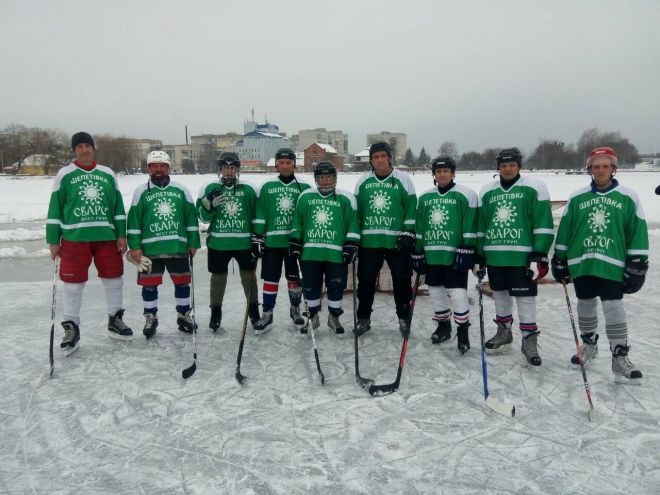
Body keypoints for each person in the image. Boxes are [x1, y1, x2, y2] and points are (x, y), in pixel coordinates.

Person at [552, 146, 648, 383]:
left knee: (614, 307)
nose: (601, 170)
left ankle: (619, 355)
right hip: (582, 261)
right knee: (585, 304)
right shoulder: (577, 196)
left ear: (613, 169)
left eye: (606, 166)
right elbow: (566, 229)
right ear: (590, 169)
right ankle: (589, 345)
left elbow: (637, 231)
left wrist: (637, 261)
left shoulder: (628, 196)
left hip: (611, 263)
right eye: (596, 166)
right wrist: (559, 257)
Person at [46, 131, 132, 353]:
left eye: (88, 145)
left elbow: (118, 209)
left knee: (114, 279)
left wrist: (121, 234)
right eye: (80, 146)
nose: (84, 149)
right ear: (74, 150)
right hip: (75, 239)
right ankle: (71, 326)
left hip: (107, 238)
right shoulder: (65, 174)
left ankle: (115, 319)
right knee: (73, 285)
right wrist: (53, 239)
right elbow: (55, 208)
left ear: (93, 148)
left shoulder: (107, 174)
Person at [476, 147, 553, 366]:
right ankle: (504, 332)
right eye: (503, 165)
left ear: (519, 166)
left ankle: (529, 340)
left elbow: (542, 222)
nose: (507, 169)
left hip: (522, 256)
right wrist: (479, 253)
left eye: (511, 165)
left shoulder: (534, 187)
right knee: (499, 294)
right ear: (498, 167)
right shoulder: (487, 191)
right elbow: (482, 225)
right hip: (495, 255)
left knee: (525, 298)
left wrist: (539, 252)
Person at [126, 150, 201, 339]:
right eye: (154, 166)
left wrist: (193, 242)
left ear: (168, 167)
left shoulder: (181, 190)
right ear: (148, 168)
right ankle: (150, 317)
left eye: (162, 166)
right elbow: (134, 222)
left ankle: (183, 315)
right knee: (149, 286)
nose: (158, 169)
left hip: (178, 247)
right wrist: (135, 247)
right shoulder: (140, 191)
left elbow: (190, 218)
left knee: (183, 283)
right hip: (150, 250)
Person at [413, 155, 478, 354]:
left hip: (454, 256)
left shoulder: (466, 194)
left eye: (446, 171)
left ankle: (463, 330)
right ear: (434, 174)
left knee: (458, 294)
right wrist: (418, 251)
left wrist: (467, 248)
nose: (442, 174)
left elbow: (470, 224)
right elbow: (420, 227)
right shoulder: (425, 198)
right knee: (435, 291)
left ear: (452, 173)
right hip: (433, 255)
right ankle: (444, 326)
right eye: (438, 171)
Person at [353, 141, 417, 338]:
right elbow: (357, 212)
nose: (379, 160)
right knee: (365, 281)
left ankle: (404, 318)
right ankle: (363, 318)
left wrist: (408, 232)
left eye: (383, 156)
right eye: (375, 157)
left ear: (390, 157)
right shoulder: (363, 182)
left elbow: (411, 207)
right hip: (369, 243)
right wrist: (355, 239)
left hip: (396, 242)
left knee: (402, 280)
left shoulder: (403, 179)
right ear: (371, 160)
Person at [289, 161, 360, 334]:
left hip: (335, 254)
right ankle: (313, 318)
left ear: (334, 178)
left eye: (329, 177)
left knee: (336, 286)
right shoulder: (305, 196)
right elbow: (298, 221)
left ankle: (334, 318)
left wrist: (351, 244)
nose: (325, 181)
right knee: (311, 286)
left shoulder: (346, 198)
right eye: (321, 178)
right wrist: (295, 240)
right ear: (316, 179)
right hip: (310, 253)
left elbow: (353, 223)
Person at [197, 152, 260, 331]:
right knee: (218, 278)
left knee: (249, 277)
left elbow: (256, 216)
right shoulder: (209, 187)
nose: (229, 172)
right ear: (220, 169)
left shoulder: (249, 189)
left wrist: (257, 237)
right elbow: (203, 218)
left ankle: (254, 311)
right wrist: (208, 206)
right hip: (219, 243)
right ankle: (215, 312)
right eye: (226, 168)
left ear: (238, 170)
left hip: (244, 243)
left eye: (232, 168)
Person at [251, 148, 311, 334]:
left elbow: (307, 216)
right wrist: (258, 236)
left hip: (294, 242)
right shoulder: (266, 187)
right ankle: (267, 313)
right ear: (276, 164)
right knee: (271, 279)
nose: (285, 166)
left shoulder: (305, 187)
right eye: (282, 162)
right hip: (272, 243)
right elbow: (260, 213)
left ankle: (295, 309)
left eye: (288, 162)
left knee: (294, 279)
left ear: (294, 164)